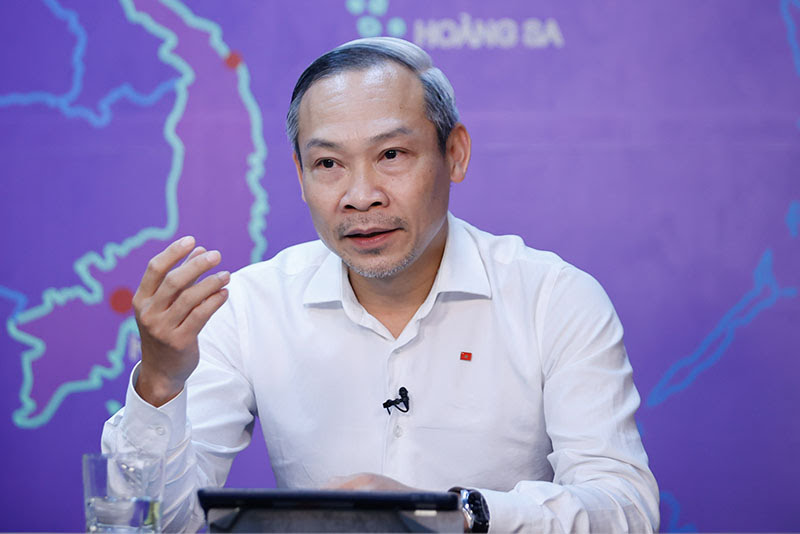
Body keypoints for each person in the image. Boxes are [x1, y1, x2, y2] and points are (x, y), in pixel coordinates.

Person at [102, 37, 659, 532]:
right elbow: (157, 524)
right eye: (328, 164)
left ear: (455, 153)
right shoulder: (248, 306)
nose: (360, 196)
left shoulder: (553, 299)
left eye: (391, 154)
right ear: (300, 176)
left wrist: (456, 515)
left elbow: (626, 508)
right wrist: (160, 381)